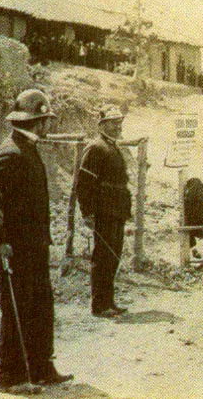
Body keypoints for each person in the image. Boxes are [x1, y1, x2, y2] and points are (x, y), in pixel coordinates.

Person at [0, 89, 73, 394]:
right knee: (17, 310)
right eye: (46, 120)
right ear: (38, 121)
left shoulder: (28, 147)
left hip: (35, 246)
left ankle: (40, 369)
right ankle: (10, 377)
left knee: (40, 306)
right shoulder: (10, 153)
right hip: (16, 248)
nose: (48, 126)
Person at [76, 106, 132, 318]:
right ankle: (99, 305)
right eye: (113, 123)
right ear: (102, 125)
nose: (118, 127)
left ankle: (109, 301)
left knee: (114, 256)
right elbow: (84, 183)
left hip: (116, 210)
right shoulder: (96, 148)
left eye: (119, 123)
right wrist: (87, 212)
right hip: (104, 210)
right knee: (103, 257)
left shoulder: (112, 147)